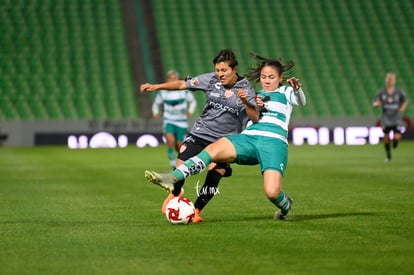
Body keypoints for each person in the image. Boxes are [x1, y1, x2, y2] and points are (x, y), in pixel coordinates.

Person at [144, 54, 306, 220]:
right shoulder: (254, 92)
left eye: (271, 77)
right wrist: (249, 102)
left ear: (280, 78)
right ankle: (171, 178)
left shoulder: (284, 92)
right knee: (212, 149)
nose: (266, 80)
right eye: (263, 76)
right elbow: (252, 117)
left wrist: (297, 89)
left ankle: (286, 207)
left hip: (273, 143)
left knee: (272, 193)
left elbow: (300, 102)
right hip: (248, 138)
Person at [140, 49, 258, 222]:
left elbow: (255, 117)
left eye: (224, 70)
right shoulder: (211, 79)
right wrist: (156, 87)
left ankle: (196, 211)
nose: (220, 74)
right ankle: (176, 192)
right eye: (218, 70)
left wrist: (246, 101)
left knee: (215, 170)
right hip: (201, 133)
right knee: (180, 168)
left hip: (225, 140)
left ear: (234, 69)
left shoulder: (246, 88)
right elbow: (182, 84)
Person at [152, 70, 197, 168]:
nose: (172, 80)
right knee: (170, 140)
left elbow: (193, 102)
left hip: (181, 121)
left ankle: (183, 160)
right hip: (169, 120)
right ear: (167, 79)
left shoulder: (184, 91)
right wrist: (156, 112)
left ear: (177, 79)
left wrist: (190, 111)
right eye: (170, 78)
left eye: (174, 79)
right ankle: (173, 164)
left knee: (179, 144)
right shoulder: (163, 92)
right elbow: (156, 104)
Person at [373, 73, 407, 162]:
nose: (390, 81)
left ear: (394, 81)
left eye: (392, 79)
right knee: (386, 137)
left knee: (397, 137)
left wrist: (402, 108)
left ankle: (395, 143)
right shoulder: (381, 92)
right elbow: (375, 102)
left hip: (396, 117)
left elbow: (404, 101)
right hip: (386, 118)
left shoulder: (399, 91)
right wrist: (377, 104)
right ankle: (388, 156)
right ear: (386, 80)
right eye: (389, 79)